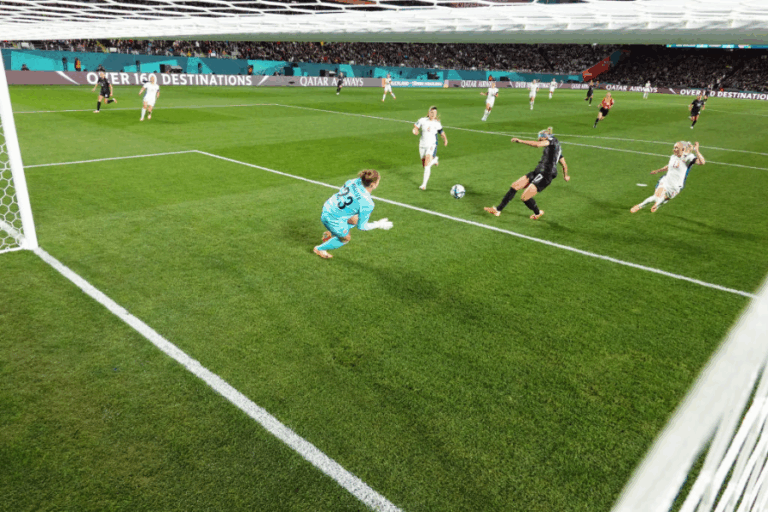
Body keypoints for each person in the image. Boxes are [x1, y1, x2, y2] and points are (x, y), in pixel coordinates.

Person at [484, 127, 570, 220]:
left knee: (524, 197)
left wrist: (520, 141)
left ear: (546, 137)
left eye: (541, 136)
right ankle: (497, 210)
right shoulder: (555, 150)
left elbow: (537, 145)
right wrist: (566, 175)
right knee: (515, 186)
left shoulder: (552, 140)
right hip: (538, 171)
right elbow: (564, 164)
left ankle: (538, 213)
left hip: (546, 175)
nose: (540, 138)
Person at [313, 169, 393, 259]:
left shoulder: (353, 181)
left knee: (355, 219)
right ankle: (319, 249)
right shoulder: (367, 203)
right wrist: (378, 224)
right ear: (373, 185)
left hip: (328, 206)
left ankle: (331, 232)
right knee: (346, 239)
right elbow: (362, 227)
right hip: (332, 219)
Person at [630, 141, 705, 213]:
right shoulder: (673, 157)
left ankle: (657, 205)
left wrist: (696, 151)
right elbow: (669, 167)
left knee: (665, 198)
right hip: (666, 180)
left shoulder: (689, 157)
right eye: (674, 147)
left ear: (682, 149)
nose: (674, 149)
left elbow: (702, 162)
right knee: (656, 195)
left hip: (675, 185)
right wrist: (657, 171)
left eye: (676, 148)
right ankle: (640, 206)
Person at [413, 106, 448, 190]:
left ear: (436, 114)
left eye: (434, 113)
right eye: (431, 112)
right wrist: (415, 131)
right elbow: (415, 127)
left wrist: (445, 139)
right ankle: (435, 160)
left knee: (426, 164)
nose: (433, 114)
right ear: (428, 113)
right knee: (424, 164)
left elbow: (441, 132)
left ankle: (424, 185)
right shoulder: (422, 120)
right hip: (422, 144)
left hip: (432, 144)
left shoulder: (437, 123)